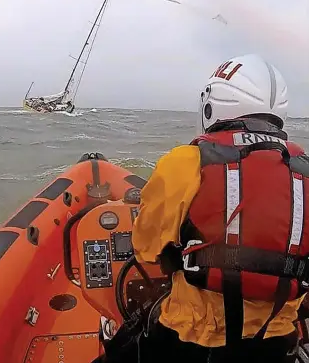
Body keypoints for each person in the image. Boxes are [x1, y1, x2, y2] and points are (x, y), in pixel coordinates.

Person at [96, 54, 309, 363]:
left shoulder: (184, 162)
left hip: (189, 338)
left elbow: (145, 248)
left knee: (123, 346)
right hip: (275, 342)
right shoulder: (304, 173)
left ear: (214, 104)